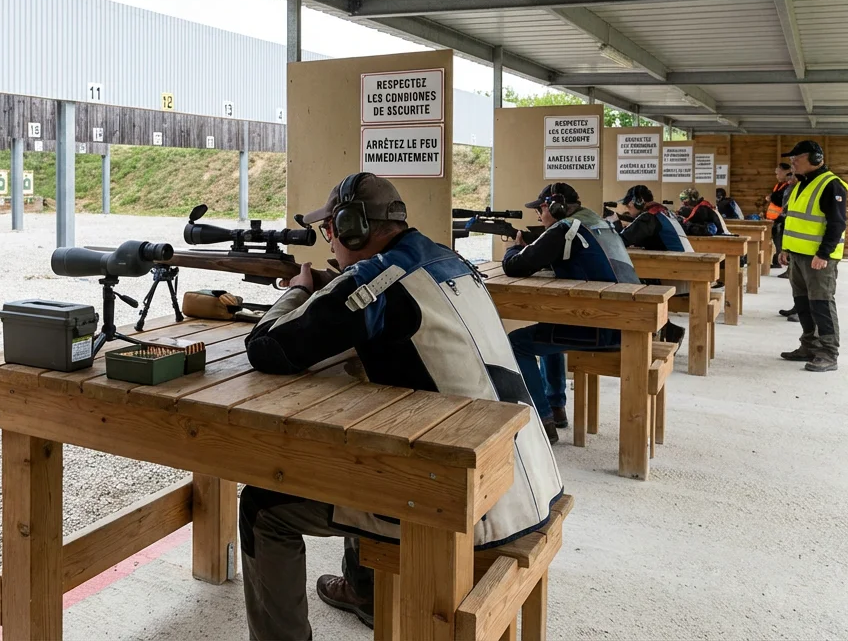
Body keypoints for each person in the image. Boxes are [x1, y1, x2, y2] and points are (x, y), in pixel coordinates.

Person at [241, 172, 562, 639]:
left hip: (469, 505)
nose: (330, 243)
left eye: (331, 230)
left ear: (352, 227)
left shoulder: (378, 279)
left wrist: (299, 289)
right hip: (525, 475)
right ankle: (365, 591)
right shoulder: (447, 260)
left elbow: (266, 347)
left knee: (263, 506)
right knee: (359, 453)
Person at [502, 183, 623, 443]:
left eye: (542, 209)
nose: (540, 216)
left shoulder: (565, 228)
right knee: (551, 324)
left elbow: (515, 266)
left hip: (602, 329)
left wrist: (513, 247)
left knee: (517, 344)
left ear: (554, 206)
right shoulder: (596, 223)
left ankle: (542, 421)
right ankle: (555, 407)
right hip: (619, 321)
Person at [777, 140, 848, 372]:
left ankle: (829, 353)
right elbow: (795, 220)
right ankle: (808, 346)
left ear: (816, 160)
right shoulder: (801, 184)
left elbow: (837, 224)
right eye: (791, 159)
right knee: (803, 304)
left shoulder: (831, 185)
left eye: (797, 158)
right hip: (798, 256)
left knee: (821, 304)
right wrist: (786, 249)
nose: (793, 162)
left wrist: (824, 253)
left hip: (818, 258)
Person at [617, 184, 692, 346]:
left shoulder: (648, 217)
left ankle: (648, 335)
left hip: (678, 276)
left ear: (638, 202)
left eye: (629, 204)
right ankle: (667, 330)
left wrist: (614, 225)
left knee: (631, 288)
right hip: (685, 270)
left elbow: (622, 240)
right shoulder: (663, 212)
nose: (627, 208)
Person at [765, 163, 796, 279]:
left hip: (785, 218)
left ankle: (790, 268)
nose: (790, 180)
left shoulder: (791, 187)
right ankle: (786, 266)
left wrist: (772, 197)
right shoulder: (782, 186)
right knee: (781, 245)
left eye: (791, 177)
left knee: (786, 245)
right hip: (780, 218)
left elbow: (781, 200)